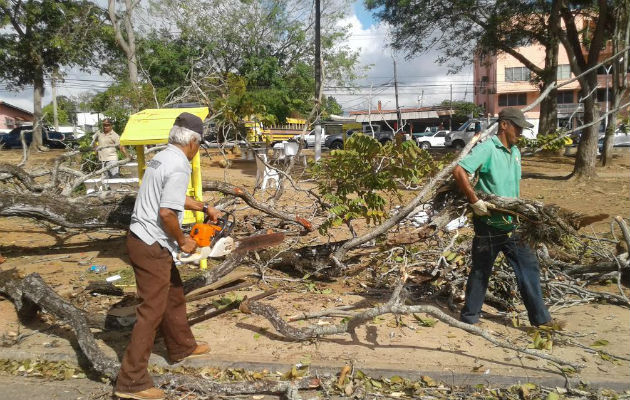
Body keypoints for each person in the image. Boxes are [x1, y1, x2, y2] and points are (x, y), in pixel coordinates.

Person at [114, 112, 221, 400]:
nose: (198, 148)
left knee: (174, 295)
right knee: (151, 311)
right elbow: (166, 212)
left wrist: (203, 206)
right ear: (193, 141)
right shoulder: (180, 165)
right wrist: (183, 240)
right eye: (199, 144)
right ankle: (131, 382)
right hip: (151, 244)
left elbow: (169, 196)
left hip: (144, 239)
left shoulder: (163, 157)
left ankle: (181, 347)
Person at [452, 107, 554, 328]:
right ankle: (469, 318)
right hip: (488, 222)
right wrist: (474, 201)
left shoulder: (515, 152)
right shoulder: (488, 148)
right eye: (517, 127)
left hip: (513, 222)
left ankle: (542, 321)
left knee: (529, 268)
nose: (521, 132)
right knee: (481, 270)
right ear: (504, 125)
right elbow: (459, 171)